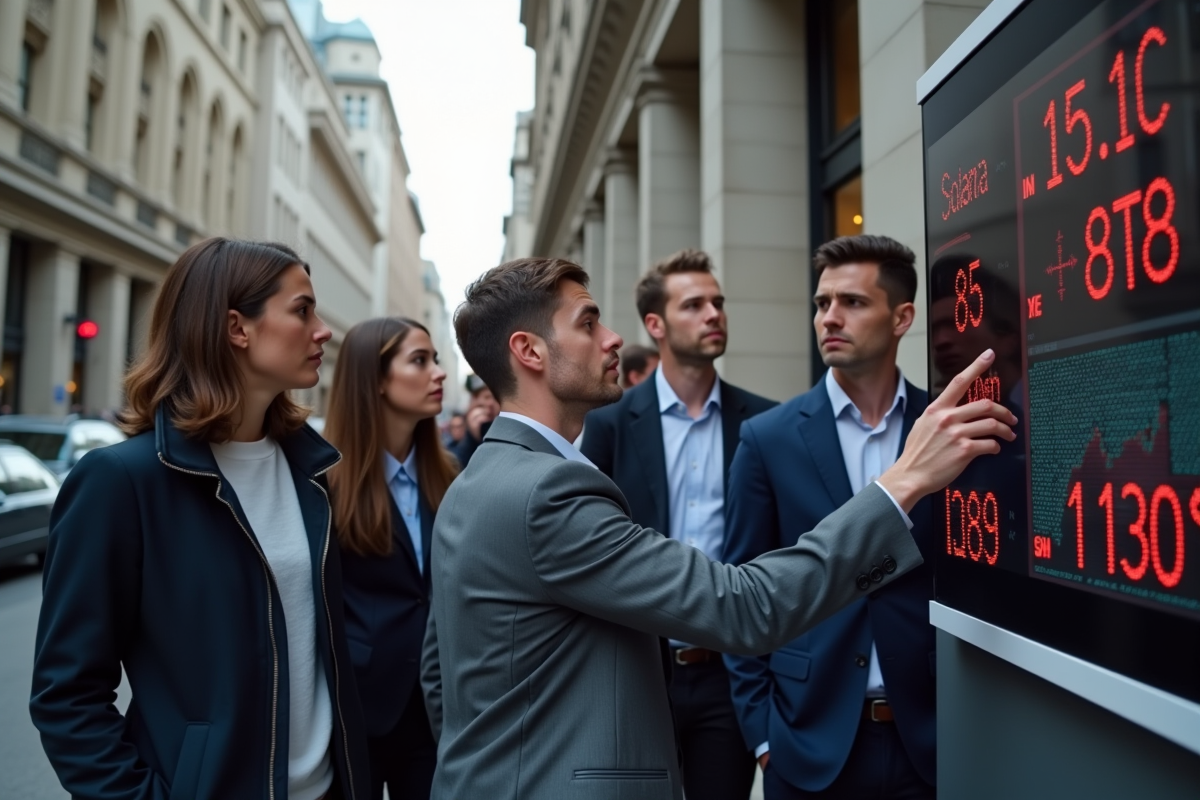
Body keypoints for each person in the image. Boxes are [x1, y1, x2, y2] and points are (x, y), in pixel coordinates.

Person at [419, 257, 1016, 800]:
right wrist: (905, 481)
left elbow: (440, 670)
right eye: (588, 322)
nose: (613, 338)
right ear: (530, 351)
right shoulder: (547, 492)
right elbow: (745, 607)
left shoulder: (478, 480)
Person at [30, 238, 370, 800]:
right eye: (302, 310)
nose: (323, 329)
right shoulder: (121, 482)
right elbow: (67, 695)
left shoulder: (313, 471)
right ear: (237, 327)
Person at [723, 235, 936, 800]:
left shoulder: (941, 431)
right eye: (822, 304)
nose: (830, 318)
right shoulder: (768, 438)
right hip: (807, 746)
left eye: (853, 302)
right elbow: (740, 588)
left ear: (902, 316)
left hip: (928, 744)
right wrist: (764, 740)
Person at [581, 249, 776, 800]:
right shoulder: (609, 424)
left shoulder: (765, 422)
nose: (713, 313)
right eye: (694, 305)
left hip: (730, 672)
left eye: (718, 302)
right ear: (655, 325)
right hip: (638, 670)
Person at [324, 317, 458, 800]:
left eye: (435, 360)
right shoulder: (325, 486)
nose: (437, 373)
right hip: (355, 707)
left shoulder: (451, 477)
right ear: (375, 380)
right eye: (420, 361)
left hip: (438, 707)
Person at [449, 374, 499, 467]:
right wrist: (472, 437)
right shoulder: (461, 423)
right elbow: (456, 463)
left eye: (494, 397)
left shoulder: (502, 422)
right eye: (486, 397)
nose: (490, 403)